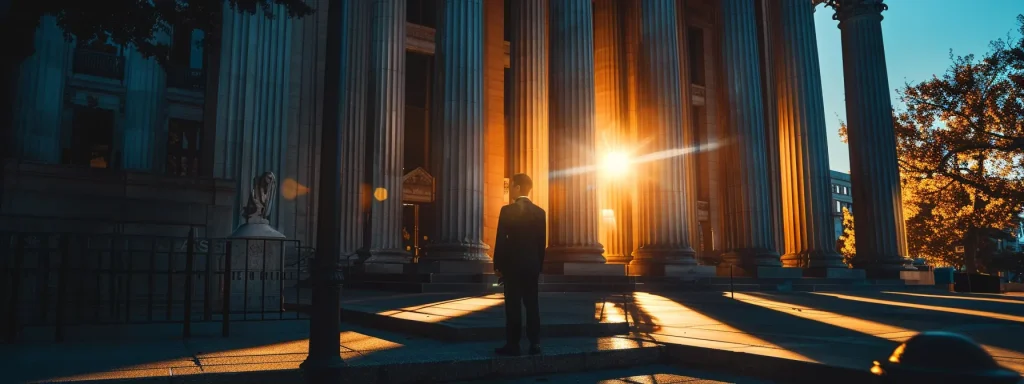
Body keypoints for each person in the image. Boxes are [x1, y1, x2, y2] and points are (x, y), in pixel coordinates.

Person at [493, 173, 546, 356]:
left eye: (512, 186)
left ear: (516, 188)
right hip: (532, 265)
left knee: (513, 305)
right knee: (532, 304)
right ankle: (535, 343)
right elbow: (541, 243)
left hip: (512, 265)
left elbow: (501, 240)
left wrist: (497, 265)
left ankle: (513, 345)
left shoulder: (507, 211)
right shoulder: (540, 212)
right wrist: (539, 266)